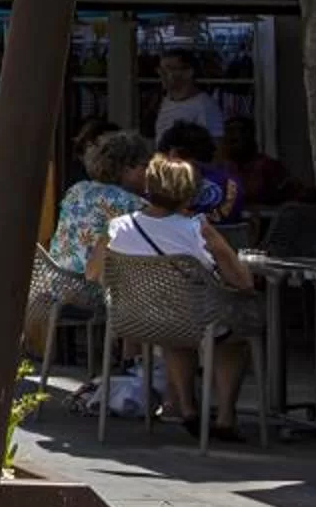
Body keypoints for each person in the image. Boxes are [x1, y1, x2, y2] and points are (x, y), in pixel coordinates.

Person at [88, 151, 259, 437]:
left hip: (137, 321)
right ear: (189, 193)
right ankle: (226, 417)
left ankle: (188, 409)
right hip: (193, 320)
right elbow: (242, 282)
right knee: (234, 338)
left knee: (174, 333)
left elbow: (92, 273)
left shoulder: (117, 227)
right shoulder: (198, 230)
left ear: (148, 187)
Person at [26, 126, 146, 355]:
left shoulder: (76, 190)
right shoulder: (132, 203)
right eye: (144, 166)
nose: (149, 172)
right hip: (90, 289)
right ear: (127, 167)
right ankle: (135, 362)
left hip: (53, 282)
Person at [223, 115, 301, 210]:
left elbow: (295, 196)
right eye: (229, 139)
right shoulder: (225, 169)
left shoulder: (269, 166)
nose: (232, 145)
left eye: (236, 140)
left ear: (250, 138)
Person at [149, 48, 227, 144]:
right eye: (161, 70)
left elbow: (216, 147)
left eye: (169, 69)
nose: (162, 74)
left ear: (188, 72)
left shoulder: (205, 106)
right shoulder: (164, 101)